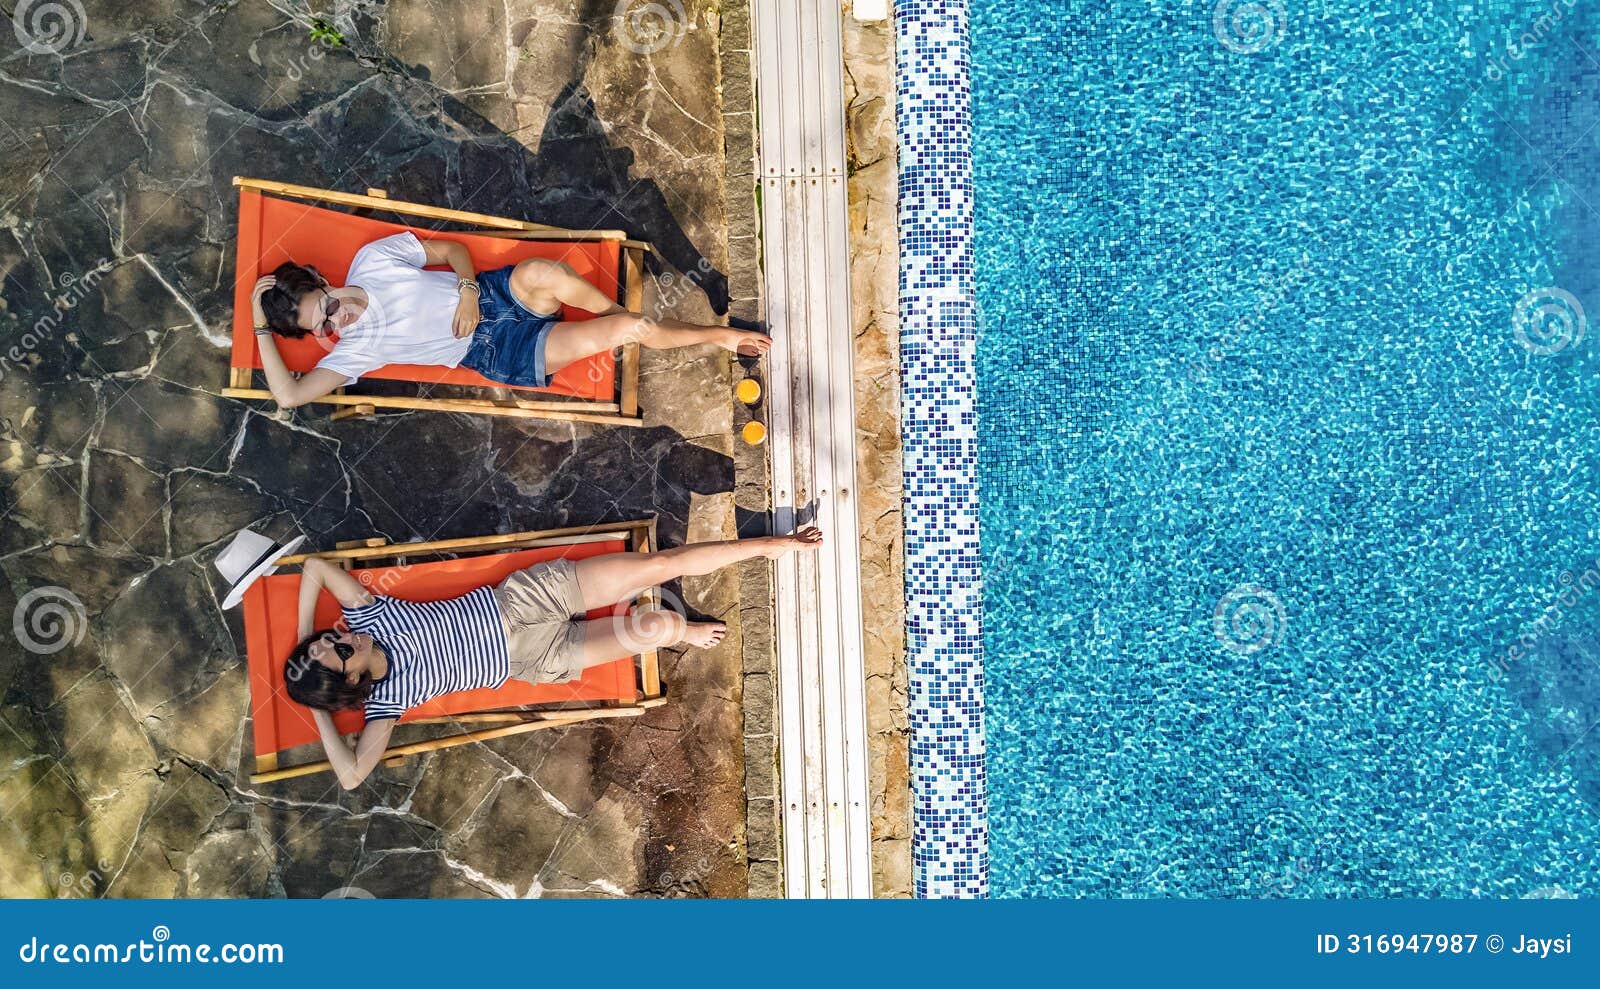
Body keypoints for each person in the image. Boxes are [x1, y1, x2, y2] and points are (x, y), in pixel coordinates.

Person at [284, 527, 823, 789]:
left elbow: (313, 568)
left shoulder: (366, 619)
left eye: (328, 641)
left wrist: (307, 633)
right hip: (539, 657)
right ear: (351, 682)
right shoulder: (384, 705)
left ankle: (769, 545)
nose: (338, 640)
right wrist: (320, 712)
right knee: (657, 627)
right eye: (336, 654)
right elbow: (353, 777)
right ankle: (684, 628)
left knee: (659, 564)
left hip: (527, 599)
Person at [248, 231, 773, 408]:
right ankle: (721, 339)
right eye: (322, 329)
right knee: (628, 330)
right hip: (495, 352)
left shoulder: (372, 260)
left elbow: (452, 250)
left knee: (542, 270)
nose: (335, 325)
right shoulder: (350, 354)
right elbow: (289, 396)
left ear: (323, 280)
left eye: (329, 308)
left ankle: (621, 319)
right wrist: (258, 324)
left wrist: (469, 291)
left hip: (491, 297)